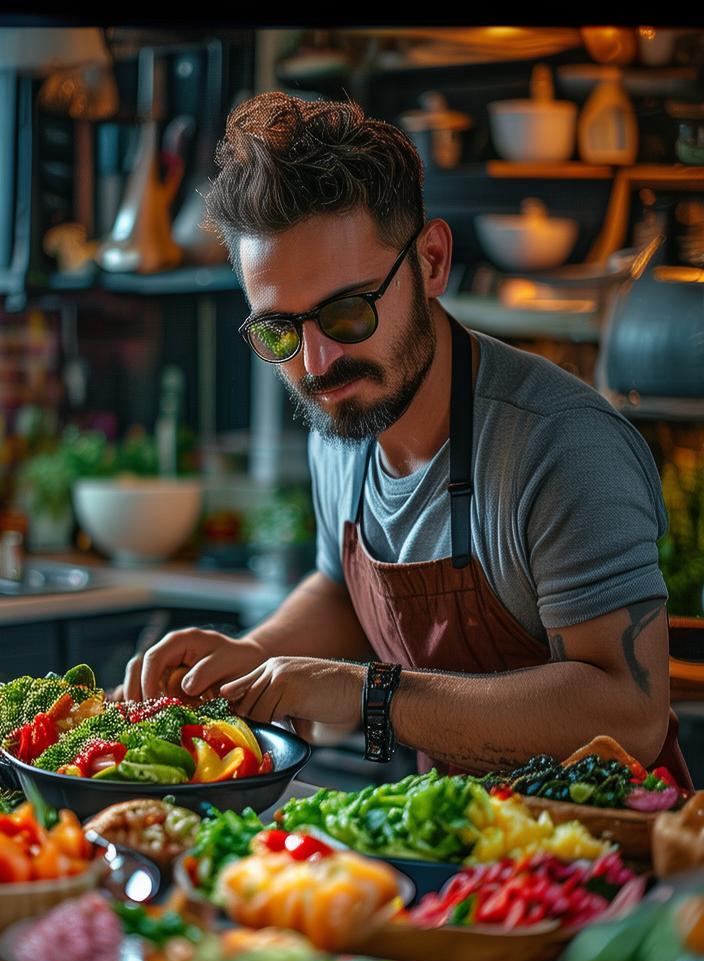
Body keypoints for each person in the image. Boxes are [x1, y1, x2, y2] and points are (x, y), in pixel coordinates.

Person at [115, 90, 691, 788]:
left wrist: (368, 693)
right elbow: (342, 591)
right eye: (279, 330)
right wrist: (254, 658)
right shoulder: (346, 414)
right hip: (455, 831)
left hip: (606, 856)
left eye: (349, 312)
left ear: (432, 262)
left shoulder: (561, 447)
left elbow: (628, 712)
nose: (317, 361)